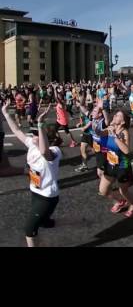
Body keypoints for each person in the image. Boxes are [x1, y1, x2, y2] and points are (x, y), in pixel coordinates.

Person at [2, 101, 61, 247]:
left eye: (37, 134)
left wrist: (41, 125)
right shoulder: (32, 145)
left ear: (47, 139)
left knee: (29, 229)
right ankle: (76, 221)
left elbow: (44, 152)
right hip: (35, 192)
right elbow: (17, 131)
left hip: (47, 197)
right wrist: (5, 113)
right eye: (34, 133)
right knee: (44, 222)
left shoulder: (55, 151)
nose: (33, 135)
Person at [96, 109, 133, 217]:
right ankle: (121, 201)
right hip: (110, 164)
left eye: (118, 115)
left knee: (123, 191)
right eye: (115, 114)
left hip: (122, 165)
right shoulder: (111, 128)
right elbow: (98, 133)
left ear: (123, 121)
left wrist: (115, 136)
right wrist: (100, 120)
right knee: (103, 190)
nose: (115, 116)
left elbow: (126, 150)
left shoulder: (124, 132)